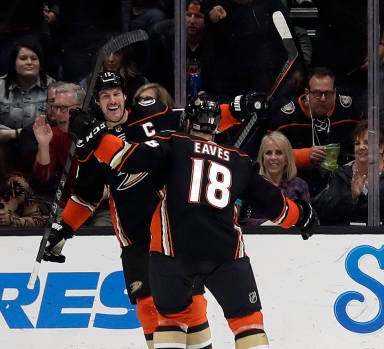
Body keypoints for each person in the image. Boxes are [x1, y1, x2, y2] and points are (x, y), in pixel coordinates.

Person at [58, 95, 319, 349]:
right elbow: (279, 209)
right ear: (217, 127)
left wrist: (95, 136)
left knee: (171, 322)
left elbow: (126, 158)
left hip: (173, 253)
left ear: (187, 123)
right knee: (247, 323)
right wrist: (304, 216)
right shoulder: (238, 160)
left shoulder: (173, 144)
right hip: (224, 253)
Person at [268, 67, 364, 198]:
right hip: (300, 183)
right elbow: (268, 157)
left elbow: (368, 138)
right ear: (307, 93)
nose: (323, 99)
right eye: (317, 93)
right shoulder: (287, 117)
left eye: (328, 93)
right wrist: (305, 156)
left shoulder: (347, 108)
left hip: (343, 180)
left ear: (335, 93)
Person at [32, 82, 111, 225]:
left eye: (64, 108)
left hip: (104, 206)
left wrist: (92, 200)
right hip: (70, 205)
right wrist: (43, 145)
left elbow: (117, 177)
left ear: (81, 108)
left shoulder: (103, 134)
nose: (58, 113)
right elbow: (43, 176)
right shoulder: (54, 134)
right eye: (55, 107)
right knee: (61, 235)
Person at [0, 41, 55, 177]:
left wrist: (16, 134)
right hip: (3, 144)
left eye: (34, 58)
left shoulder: (52, 88)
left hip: (37, 144)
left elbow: (52, 124)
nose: (29, 62)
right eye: (23, 58)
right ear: (13, 63)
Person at [313, 121, 384, 225]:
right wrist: (351, 196)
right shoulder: (341, 175)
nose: (361, 147)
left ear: (381, 148)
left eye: (367, 143)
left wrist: (377, 193)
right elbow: (326, 214)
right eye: (357, 143)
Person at [240, 131, 310, 226]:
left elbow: (308, 220)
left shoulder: (299, 185)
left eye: (279, 153)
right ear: (262, 159)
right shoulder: (251, 184)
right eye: (268, 153)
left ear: (286, 159)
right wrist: (267, 225)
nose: (273, 157)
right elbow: (239, 221)